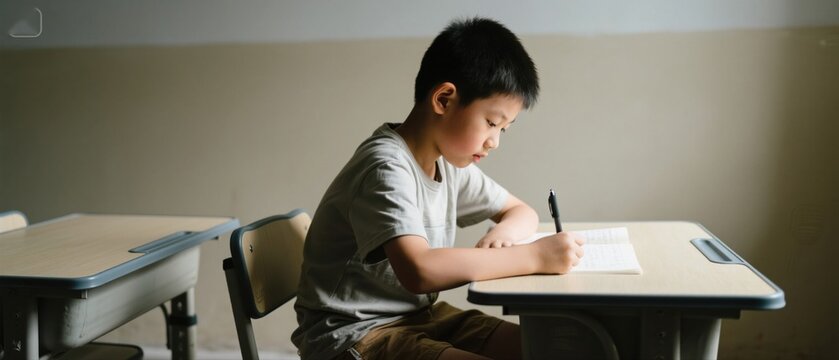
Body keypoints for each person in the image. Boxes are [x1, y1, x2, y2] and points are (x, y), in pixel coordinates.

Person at [292, 17, 585, 360]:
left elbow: (521, 211)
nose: (495, 142)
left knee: (558, 348)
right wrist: (534, 256)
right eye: (492, 123)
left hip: (418, 317)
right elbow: (420, 270)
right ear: (444, 100)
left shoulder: (447, 162)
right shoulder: (386, 166)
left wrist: (503, 234)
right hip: (352, 336)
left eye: (504, 129)